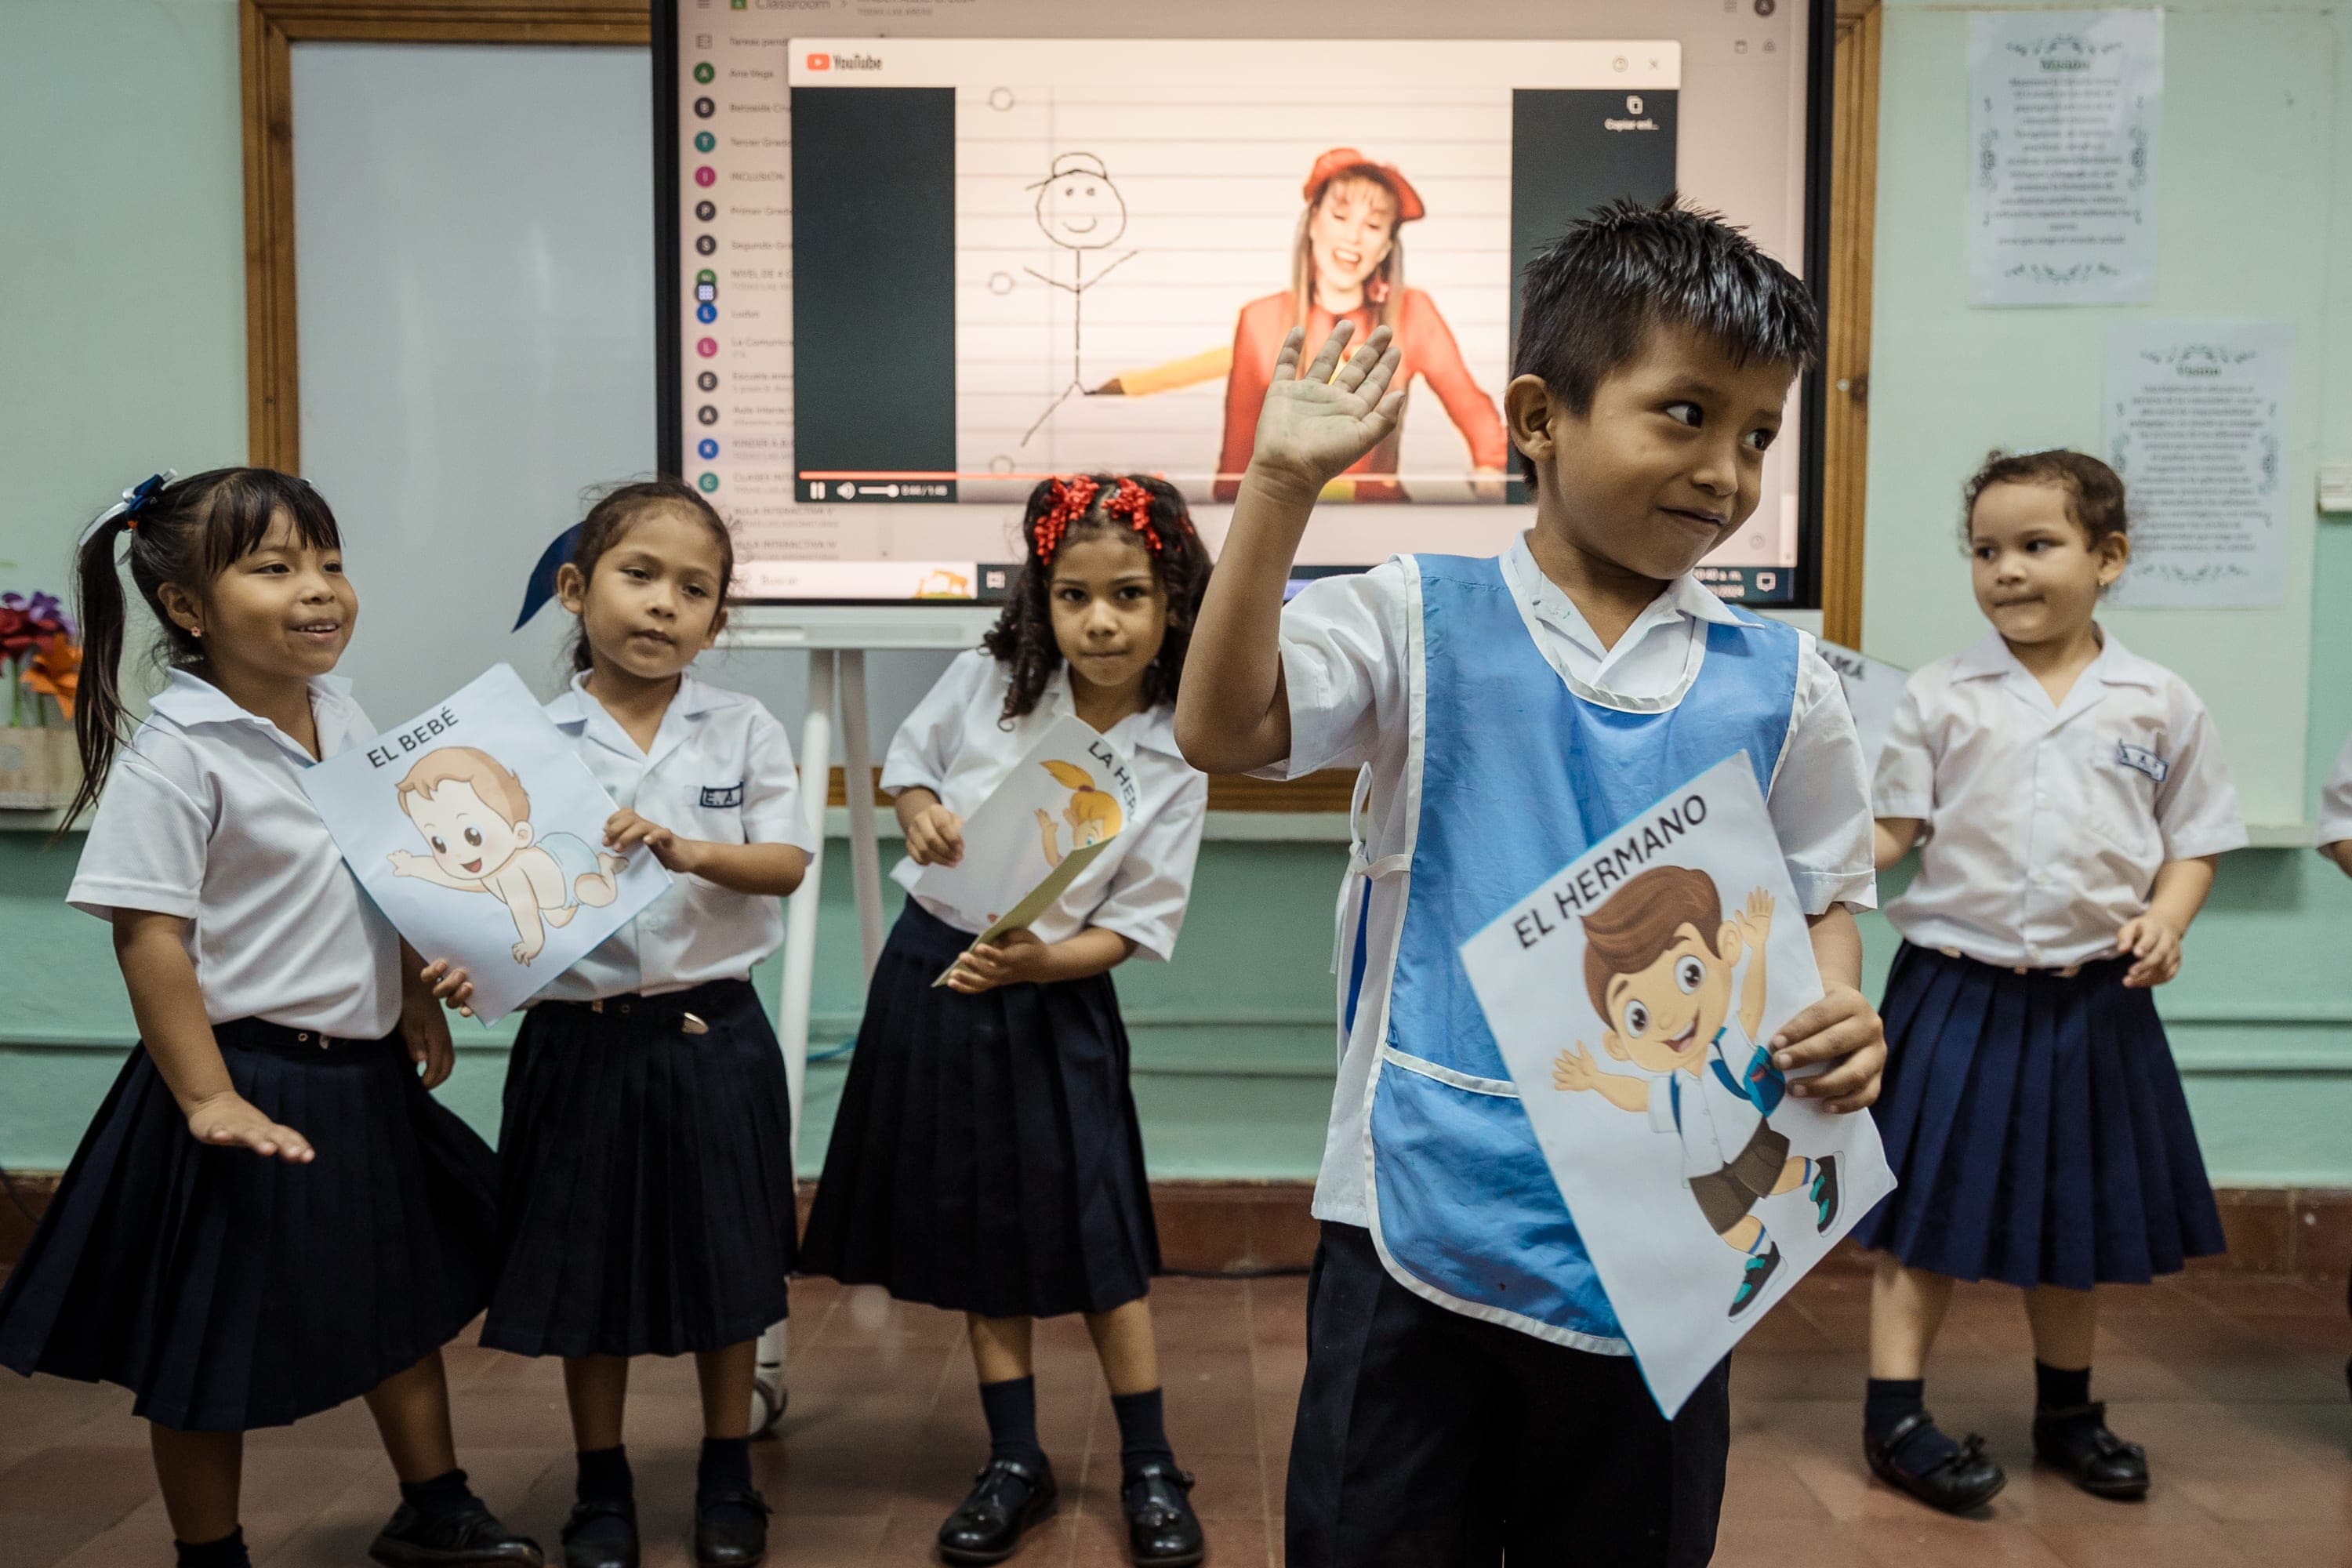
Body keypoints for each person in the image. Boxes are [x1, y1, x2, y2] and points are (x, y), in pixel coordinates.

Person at [1175, 198, 1886, 1567]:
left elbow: (1818, 897)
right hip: (1416, 1213)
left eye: (1756, 435)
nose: (1726, 473)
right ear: (1539, 415)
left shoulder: (1786, 680)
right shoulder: (1414, 617)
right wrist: (1277, 490)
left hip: (1667, 1248)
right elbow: (1224, 731)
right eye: (1684, 414)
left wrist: (1840, 1008)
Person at [0, 470, 539, 1568]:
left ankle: (434, 1506)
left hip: (358, 1079)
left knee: (400, 1299)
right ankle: (213, 1554)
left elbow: (382, 863)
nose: (320, 590)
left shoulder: (343, 709)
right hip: (240, 1082)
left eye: (330, 562)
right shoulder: (179, 750)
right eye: (276, 567)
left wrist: (404, 1003)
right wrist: (204, 1096)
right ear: (188, 610)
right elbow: (147, 935)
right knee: (207, 1344)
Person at [800, 474, 1214, 1567]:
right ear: (1043, 602)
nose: (1101, 621)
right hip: (936, 972)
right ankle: (1015, 1460)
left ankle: (1150, 1466)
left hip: (1053, 994)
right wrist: (922, 810)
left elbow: (1133, 926)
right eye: (1074, 597)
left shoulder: (1180, 746)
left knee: (1097, 1237)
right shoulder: (990, 680)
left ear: (1172, 598)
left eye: (1129, 594)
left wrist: (1038, 965)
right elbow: (911, 767)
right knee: (985, 1234)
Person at [423, 480, 813, 1568]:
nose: (664, 605)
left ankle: (727, 1474)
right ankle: (602, 1487)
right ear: (573, 589)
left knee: (731, 1272)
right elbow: (471, 890)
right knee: (583, 1272)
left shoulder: (741, 727)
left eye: (696, 590)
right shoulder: (512, 740)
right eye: (639, 575)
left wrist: (691, 849)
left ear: (716, 620)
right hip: (577, 1046)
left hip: (713, 1036)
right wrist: (457, 966)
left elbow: (783, 863)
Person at [1854, 449, 2247, 1514]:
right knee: (1918, 1210)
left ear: (2108, 558)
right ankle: (1894, 1417)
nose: (2006, 572)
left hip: (2093, 999)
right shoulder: (1941, 693)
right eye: (1986, 551)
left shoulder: (2159, 702)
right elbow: (1892, 828)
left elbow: (2197, 841)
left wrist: (2167, 922)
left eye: (2038, 545)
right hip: (1951, 990)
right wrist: (1806, 850)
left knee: (2070, 1214)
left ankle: (2068, 1413)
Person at [1098, 149, 1507, 502]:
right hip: (1280, 529)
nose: (1353, 238)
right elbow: (1237, 459)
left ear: (1385, 245)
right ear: (1313, 221)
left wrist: (1491, 468)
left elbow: (1472, 407)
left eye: (1373, 225)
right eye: (1341, 215)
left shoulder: (1413, 312)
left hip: (1380, 531)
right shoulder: (1259, 320)